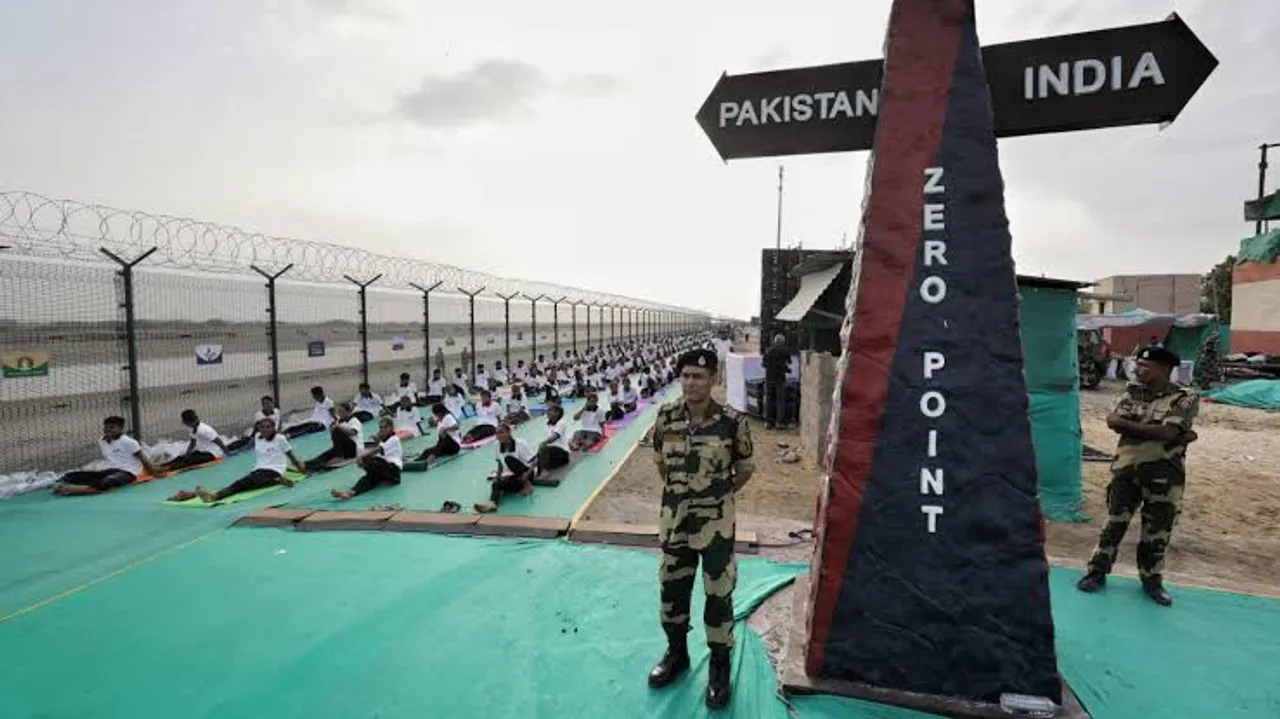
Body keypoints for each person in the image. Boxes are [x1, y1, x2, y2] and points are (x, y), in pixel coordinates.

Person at [647, 348, 754, 709]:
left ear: (714, 380)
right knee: (672, 593)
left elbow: (745, 468)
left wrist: (715, 496)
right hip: (675, 524)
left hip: (716, 529)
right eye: (687, 375)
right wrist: (684, 495)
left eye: (700, 376)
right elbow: (662, 465)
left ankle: (719, 667)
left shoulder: (732, 422)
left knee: (718, 596)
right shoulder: (665, 418)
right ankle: (677, 654)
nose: (692, 382)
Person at [1077, 346, 1199, 607]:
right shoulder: (1132, 391)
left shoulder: (1183, 398)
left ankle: (1151, 581)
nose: (1137, 369)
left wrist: (1130, 427)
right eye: (1138, 365)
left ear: (1163, 369)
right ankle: (1096, 572)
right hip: (1126, 470)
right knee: (1113, 524)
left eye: (1145, 366)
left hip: (1165, 477)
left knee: (1157, 532)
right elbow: (1113, 422)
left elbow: (1166, 433)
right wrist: (1177, 434)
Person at [169, 418, 308, 504]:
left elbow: (290, 454)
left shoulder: (280, 439)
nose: (264, 429)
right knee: (245, 486)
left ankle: (215, 496)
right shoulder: (258, 436)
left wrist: (299, 466)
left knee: (241, 483)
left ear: (274, 428)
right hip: (259, 469)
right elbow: (248, 446)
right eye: (262, 427)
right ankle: (277, 481)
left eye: (268, 427)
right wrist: (237, 452)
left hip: (274, 469)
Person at [55, 416, 163, 496]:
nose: (108, 430)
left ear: (121, 429)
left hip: (128, 473)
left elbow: (143, 460)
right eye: (106, 427)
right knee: (71, 476)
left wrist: (154, 473)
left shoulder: (129, 442)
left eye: (112, 427)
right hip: (109, 470)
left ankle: (75, 490)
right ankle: (68, 486)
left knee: (108, 481)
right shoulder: (102, 441)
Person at [332, 419, 404, 500]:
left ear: (391, 428)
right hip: (384, 470)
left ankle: (367, 468)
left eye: (385, 427)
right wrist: (377, 441)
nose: (382, 430)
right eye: (381, 428)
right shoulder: (383, 440)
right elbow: (381, 453)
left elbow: (377, 450)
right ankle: (351, 492)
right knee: (367, 479)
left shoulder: (394, 439)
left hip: (393, 471)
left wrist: (361, 457)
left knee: (369, 459)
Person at [474, 422, 536, 513]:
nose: (499, 435)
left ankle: (528, 485)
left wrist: (526, 474)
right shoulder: (497, 445)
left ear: (509, 432)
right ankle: (492, 504)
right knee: (496, 484)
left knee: (508, 459)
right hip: (514, 476)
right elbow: (499, 463)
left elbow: (535, 461)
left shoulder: (520, 443)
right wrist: (498, 477)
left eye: (502, 432)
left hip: (527, 474)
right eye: (497, 433)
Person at [155, 410, 229, 473]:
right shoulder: (192, 427)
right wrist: (187, 453)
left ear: (188, 421)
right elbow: (193, 443)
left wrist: (227, 453)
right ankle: (160, 466)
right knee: (181, 457)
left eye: (184, 421)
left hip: (213, 453)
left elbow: (219, 441)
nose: (183, 422)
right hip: (202, 450)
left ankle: (164, 469)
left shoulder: (204, 430)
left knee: (189, 462)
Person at [303, 402, 362, 471]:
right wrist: (333, 426)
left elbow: (352, 433)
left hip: (354, 449)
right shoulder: (341, 421)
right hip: (343, 448)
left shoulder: (354, 421)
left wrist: (338, 426)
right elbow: (334, 436)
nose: (339, 413)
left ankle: (339, 457)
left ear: (348, 412)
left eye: (341, 411)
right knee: (325, 455)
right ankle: (306, 465)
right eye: (339, 411)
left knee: (337, 430)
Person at [404, 403, 463, 471]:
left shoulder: (448, 417)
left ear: (440, 412)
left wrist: (445, 429)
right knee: (428, 451)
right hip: (446, 445)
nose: (436, 415)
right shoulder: (440, 420)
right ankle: (415, 461)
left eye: (436, 414)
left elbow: (456, 426)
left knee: (442, 442)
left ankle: (428, 462)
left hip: (454, 446)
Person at [761, 333, 794, 430]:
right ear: (782, 342)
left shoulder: (768, 350)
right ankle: (780, 423)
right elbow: (789, 362)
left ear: (775, 341)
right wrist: (786, 369)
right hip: (780, 378)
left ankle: (768, 422)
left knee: (769, 400)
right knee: (780, 401)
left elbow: (763, 364)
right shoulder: (785, 350)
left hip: (769, 378)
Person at [532, 404, 571, 478]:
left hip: (563, 454)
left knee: (543, 448)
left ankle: (544, 471)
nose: (547, 412)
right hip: (553, 453)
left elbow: (554, 437)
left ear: (557, 413)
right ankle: (539, 469)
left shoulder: (561, 423)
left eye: (550, 410)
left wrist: (543, 443)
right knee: (537, 455)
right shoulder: (549, 424)